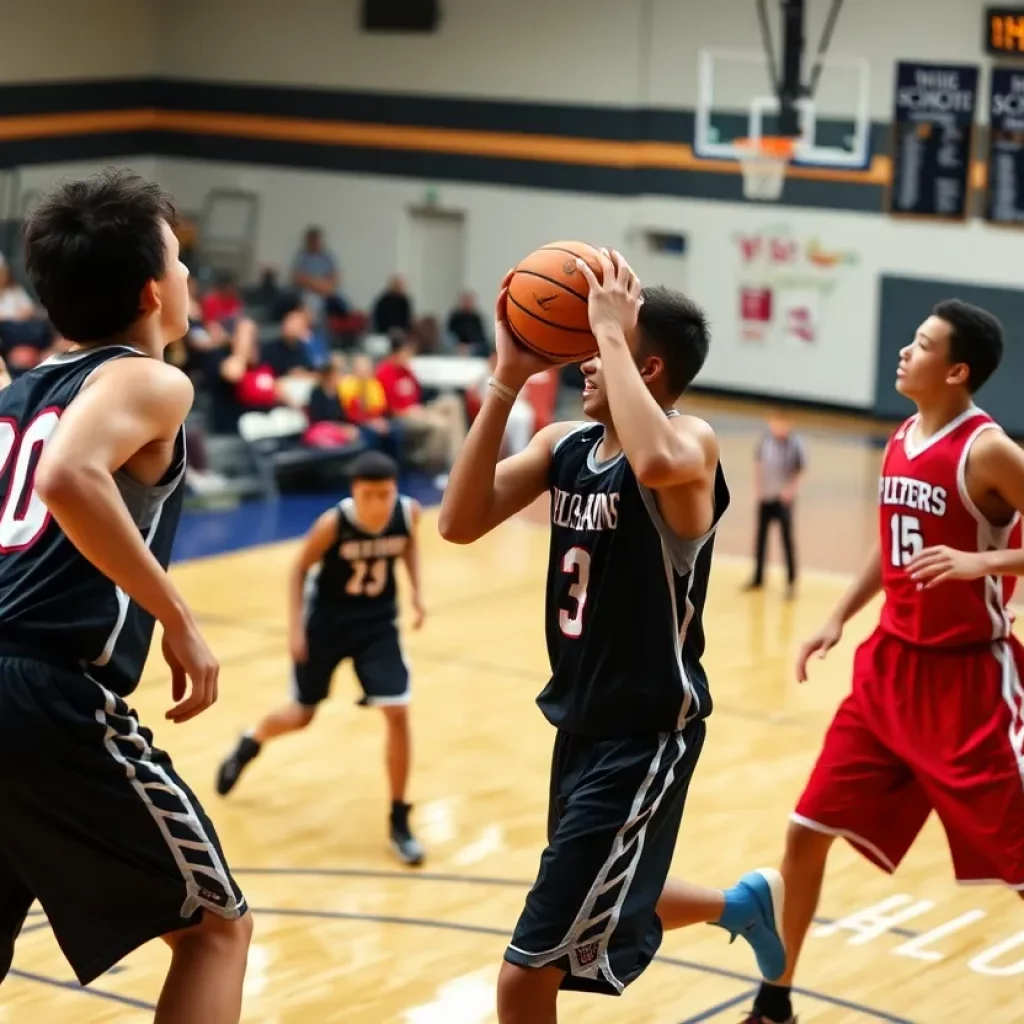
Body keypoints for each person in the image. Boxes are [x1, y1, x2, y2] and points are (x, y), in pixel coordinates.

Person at [439, 250, 785, 1024]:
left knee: (526, 974)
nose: (585, 362)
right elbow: (458, 521)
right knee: (600, 893)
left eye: (604, 348)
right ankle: (739, 904)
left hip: (646, 733)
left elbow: (655, 457)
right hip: (579, 726)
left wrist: (608, 328)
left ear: (646, 365)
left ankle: (738, 905)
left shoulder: (690, 443)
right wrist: (505, 381)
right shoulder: (563, 445)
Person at [0, 171, 251, 1022]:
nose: (189, 273)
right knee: (216, 928)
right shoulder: (152, 381)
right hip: (45, 692)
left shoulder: (16, 395)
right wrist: (178, 618)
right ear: (152, 290)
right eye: (179, 259)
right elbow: (68, 475)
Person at [743, 299, 1024, 1024]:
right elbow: (893, 538)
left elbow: (974, 552)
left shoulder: (988, 451)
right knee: (805, 831)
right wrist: (838, 615)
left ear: (956, 371)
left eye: (923, 344)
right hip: (888, 673)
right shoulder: (903, 434)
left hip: (969, 684)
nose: (905, 351)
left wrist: (983, 561)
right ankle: (774, 1002)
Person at [215, 451, 427, 866]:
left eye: (385, 495)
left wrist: (417, 592)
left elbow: (409, 547)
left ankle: (399, 817)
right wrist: (295, 629)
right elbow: (298, 569)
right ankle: (250, 741)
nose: (378, 504)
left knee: (398, 711)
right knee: (301, 714)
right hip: (326, 626)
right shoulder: (333, 524)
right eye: (369, 496)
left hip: (377, 626)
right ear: (354, 493)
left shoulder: (409, 513)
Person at [746, 411, 806, 599]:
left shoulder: (795, 444)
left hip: (783, 500)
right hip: (766, 497)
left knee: (786, 541)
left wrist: (790, 491)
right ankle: (758, 578)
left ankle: (791, 582)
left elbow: (800, 470)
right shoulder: (765, 441)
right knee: (761, 539)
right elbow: (758, 464)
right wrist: (758, 490)